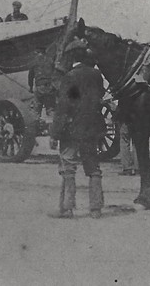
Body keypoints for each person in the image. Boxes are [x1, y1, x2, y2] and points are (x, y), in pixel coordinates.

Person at [51, 39, 106, 219]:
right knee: (93, 168)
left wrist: (55, 133)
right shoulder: (96, 75)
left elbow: (64, 106)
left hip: (72, 130)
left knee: (68, 167)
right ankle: (96, 209)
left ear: (72, 56)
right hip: (92, 129)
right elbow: (99, 97)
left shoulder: (70, 77)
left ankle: (67, 208)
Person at [28, 46, 58, 149]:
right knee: (51, 110)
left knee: (36, 110)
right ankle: (54, 135)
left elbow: (30, 76)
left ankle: (32, 135)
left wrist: (30, 87)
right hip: (50, 87)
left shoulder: (34, 62)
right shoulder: (50, 60)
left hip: (39, 87)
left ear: (37, 52)